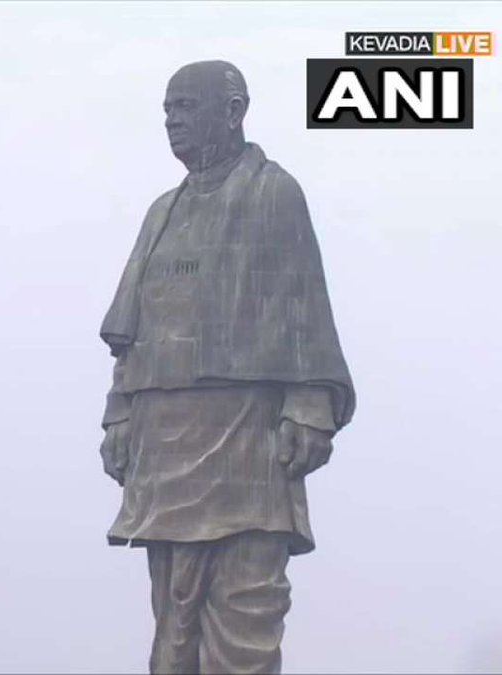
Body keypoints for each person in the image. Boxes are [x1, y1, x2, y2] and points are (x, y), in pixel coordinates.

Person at [98, 61, 356, 674]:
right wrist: (118, 417)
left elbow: (304, 309)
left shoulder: (274, 192)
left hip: (248, 440)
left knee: (245, 618)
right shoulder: (163, 211)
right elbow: (131, 332)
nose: (173, 122)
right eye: (167, 110)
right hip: (164, 447)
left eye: (186, 107)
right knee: (173, 624)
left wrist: (310, 408)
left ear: (234, 110)